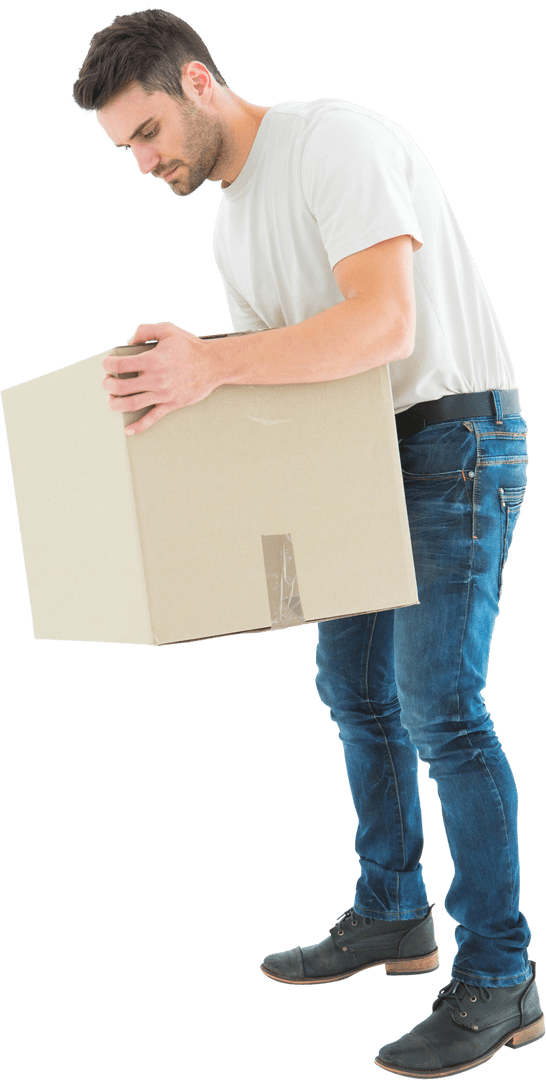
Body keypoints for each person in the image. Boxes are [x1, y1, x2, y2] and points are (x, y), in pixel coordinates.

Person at [72, 9, 543, 1076]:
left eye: (147, 133)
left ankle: (504, 975)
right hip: (358, 456)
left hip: (453, 440)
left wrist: (218, 366)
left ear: (196, 82)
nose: (143, 163)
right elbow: (291, 381)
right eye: (126, 152)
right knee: (353, 691)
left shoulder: (332, 138)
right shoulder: (228, 225)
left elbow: (383, 327)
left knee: (441, 706)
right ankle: (393, 912)